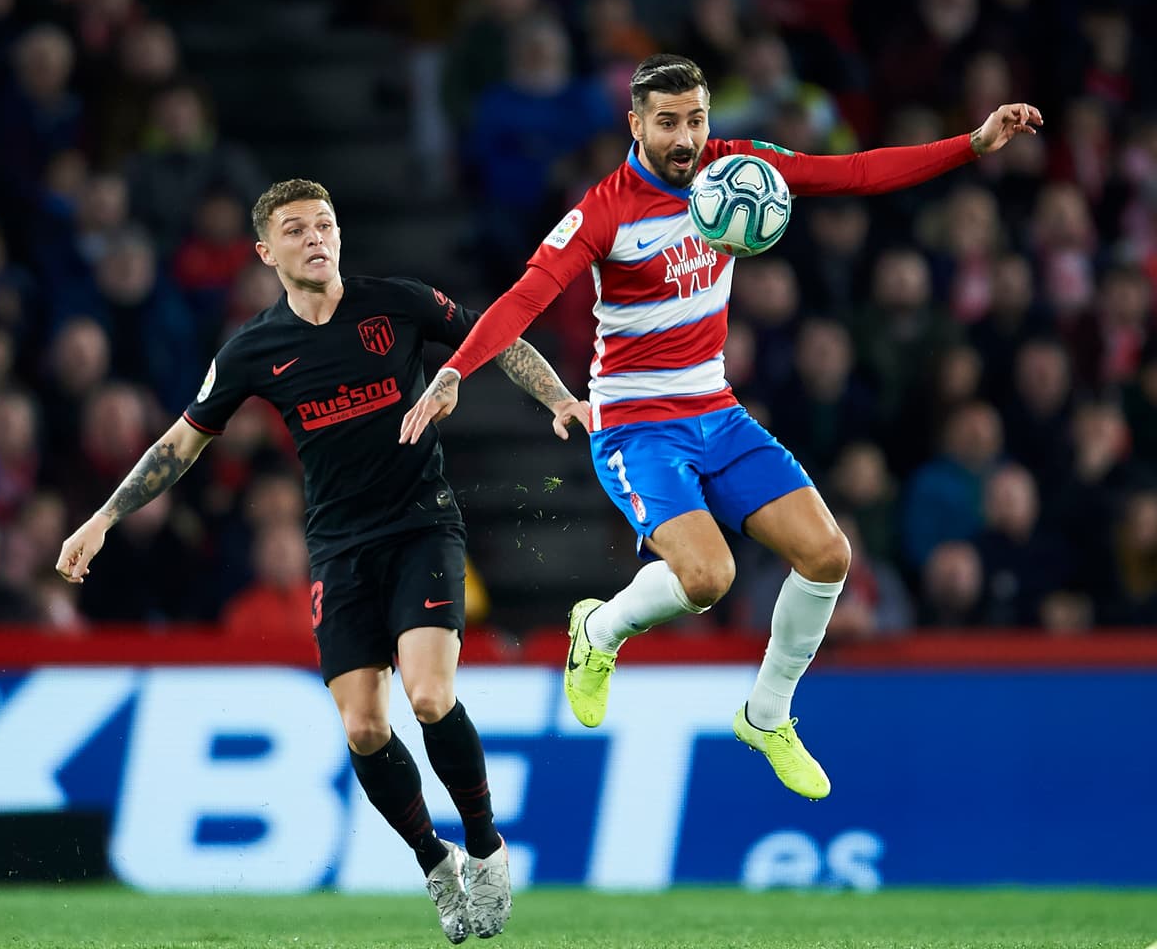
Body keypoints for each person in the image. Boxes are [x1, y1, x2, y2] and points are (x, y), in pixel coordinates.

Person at [400, 53, 1041, 801]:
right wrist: (453, 372)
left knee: (828, 556)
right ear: (635, 124)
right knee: (708, 578)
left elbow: (857, 173)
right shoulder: (604, 211)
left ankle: (766, 714)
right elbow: (522, 298)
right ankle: (598, 632)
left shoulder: (741, 170)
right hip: (636, 424)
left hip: (716, 408)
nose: (685, 138)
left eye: (696, 120)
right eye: (667, 123)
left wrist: (971, 143)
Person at [56, 178, 588, 943]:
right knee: (365, 728)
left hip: (421, 527)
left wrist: (558, 398)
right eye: (297, 229)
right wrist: (103, 518)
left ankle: (485, 848)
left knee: (430, 696)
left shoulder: (395, 302)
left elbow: (495, 335)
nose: (316, 238)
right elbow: (181, 442)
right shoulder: (253, 348)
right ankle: (434, 861)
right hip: (339, 549)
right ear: (266, 251)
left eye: (326, 224)